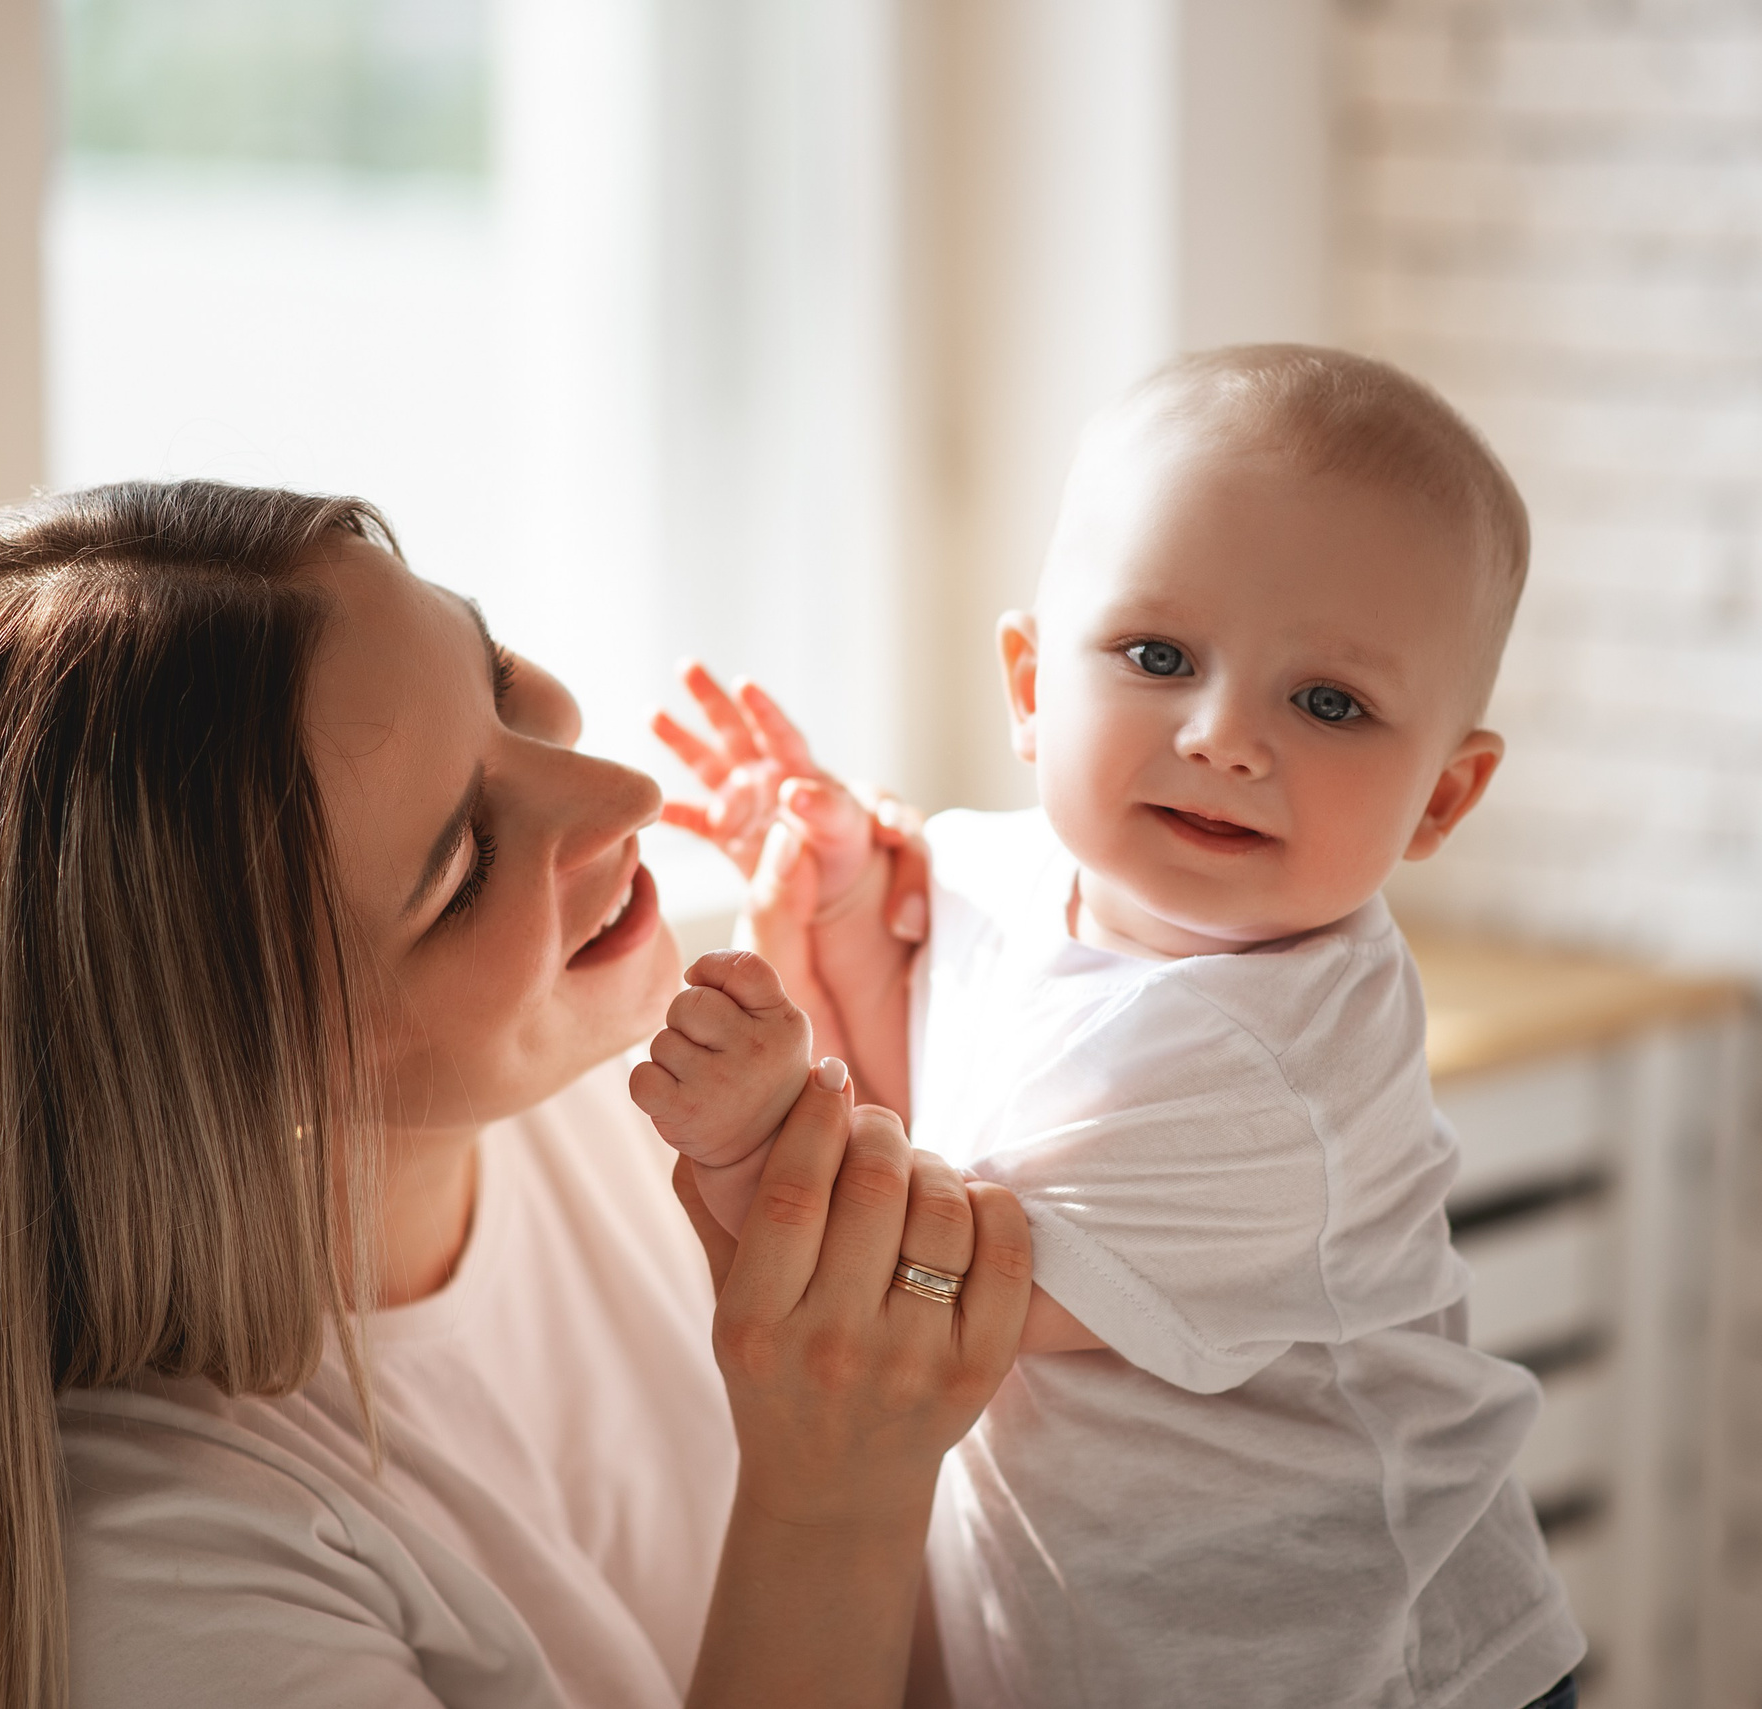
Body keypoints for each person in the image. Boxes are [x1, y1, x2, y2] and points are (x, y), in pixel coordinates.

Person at [0, 480, 1030, 1709]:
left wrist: (881, 1058)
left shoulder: (595, 1092)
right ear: (219, 1081)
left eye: (501, 679)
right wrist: (831, 1498)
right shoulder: (160, 1585)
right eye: (463, 862)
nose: (625, 792)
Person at [641, 346, 1585, 1707]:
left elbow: (931, 1297)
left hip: (1370, 1673)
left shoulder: (1264, 1069)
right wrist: (842, 899)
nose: (1221, 735)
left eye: (1328, 701)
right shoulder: (989, 874)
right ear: (1030, 688)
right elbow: (934, 1117)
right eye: (1157, 655)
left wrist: (744, 1146)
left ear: (1442, 797)